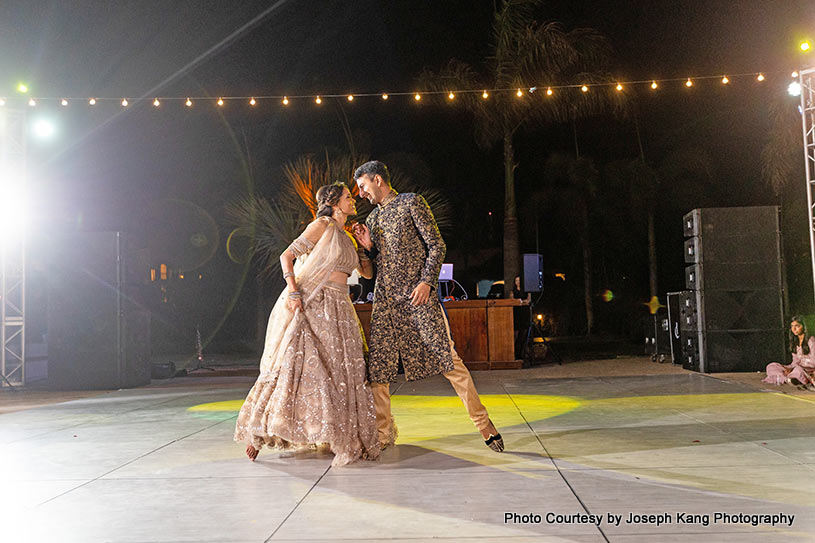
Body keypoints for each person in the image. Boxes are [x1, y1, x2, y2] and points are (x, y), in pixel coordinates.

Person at [351, 160, 504, 452]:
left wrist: (427, 282)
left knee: (448, 360)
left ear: (378, 180)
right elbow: (369, 274)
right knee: (379, 370)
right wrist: (367, 248)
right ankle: (383, 435)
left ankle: (484, 423)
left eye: (362, 186)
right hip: (385, 303)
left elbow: (437, 245)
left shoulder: (411, 203)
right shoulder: (371, 221)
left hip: (419, 297)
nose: (360, 194)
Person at [234, 183, 380, 466]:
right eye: (349, 197)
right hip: (317, 302)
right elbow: (286, 255)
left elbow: (366, 272)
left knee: (340, 373)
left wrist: (366, 246)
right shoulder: (323, 225)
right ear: (335, 203)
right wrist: (293, 290)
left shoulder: (347, 236)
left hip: (341, 307)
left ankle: (337, 434)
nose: (353, 200)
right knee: (296, 367)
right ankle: (259, 435)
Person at [763, 316, 815, 391]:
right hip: (797, 368)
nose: (794, 329)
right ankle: (789, 379)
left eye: (797, 326)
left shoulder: (811, 341)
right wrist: (789, 368)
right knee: (771, 366)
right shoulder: (795, 341)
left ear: (804, 327)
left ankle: (785, 379)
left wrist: (797, 366)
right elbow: (795, 361)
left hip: (808, 370)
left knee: (798, 370)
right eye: (792, 326)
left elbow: (813, 362)